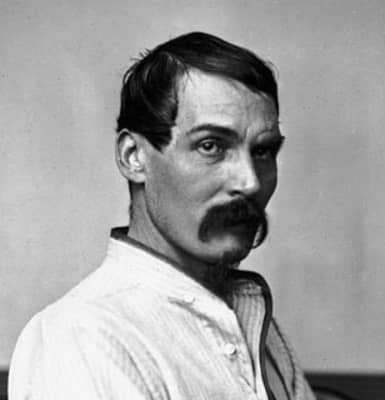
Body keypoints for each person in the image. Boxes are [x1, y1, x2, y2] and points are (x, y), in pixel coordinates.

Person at [9, 32, 316, 400]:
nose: (250, 182)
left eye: (263, 151)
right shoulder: (84, 336)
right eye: (211, 146)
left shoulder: (256, 323)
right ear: (133, 157)